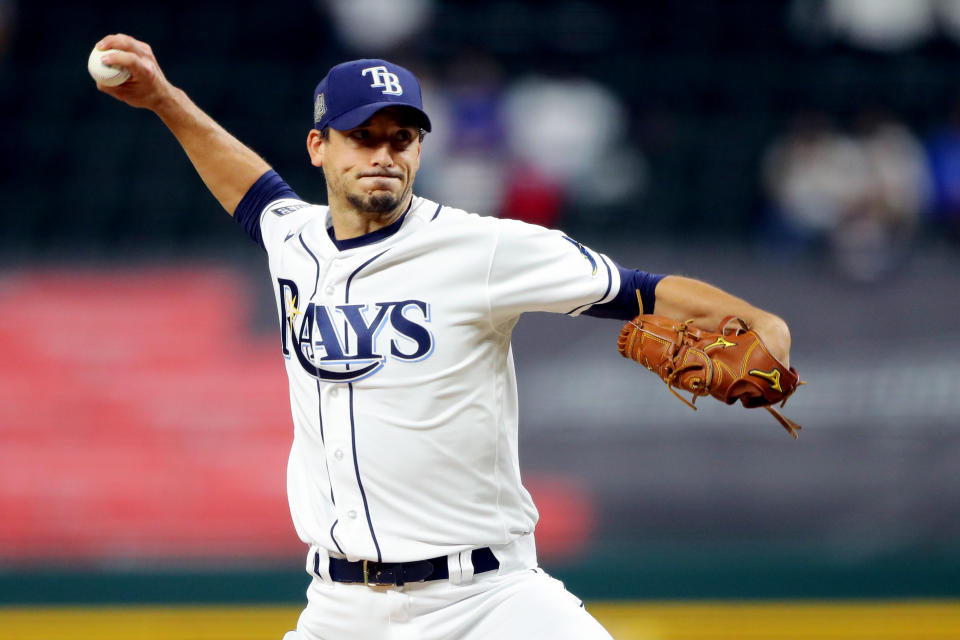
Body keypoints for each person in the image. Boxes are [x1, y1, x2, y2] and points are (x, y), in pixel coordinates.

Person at [93, 34, 792, 640]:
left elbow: (638, 288)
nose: (383, 154)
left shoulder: (483, 248)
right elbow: (251, 188)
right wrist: (164, 100)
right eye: (363, 136)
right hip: (342, 609)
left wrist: (762, 323)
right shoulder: (293, 240)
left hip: (490, 600)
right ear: (320, 147)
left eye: (401, 138)